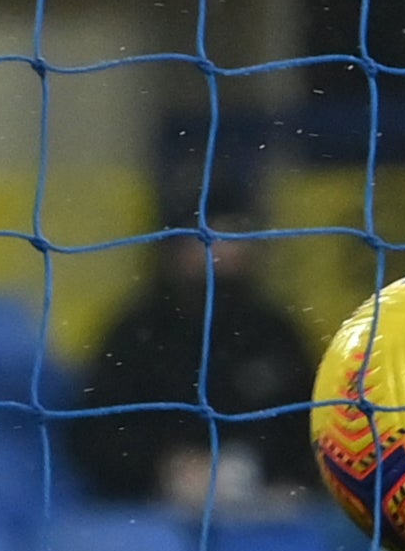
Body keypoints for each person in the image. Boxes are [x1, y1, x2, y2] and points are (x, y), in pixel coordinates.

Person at [70, 138, 315, 512]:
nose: (220, 252)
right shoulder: (136, 333)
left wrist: (259, 469)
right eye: (205, 236)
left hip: (270, 515)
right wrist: (166, 467)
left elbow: (313, 433)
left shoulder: (275, 333)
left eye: (232, 234)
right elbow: (95, 435)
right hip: (153, 515)